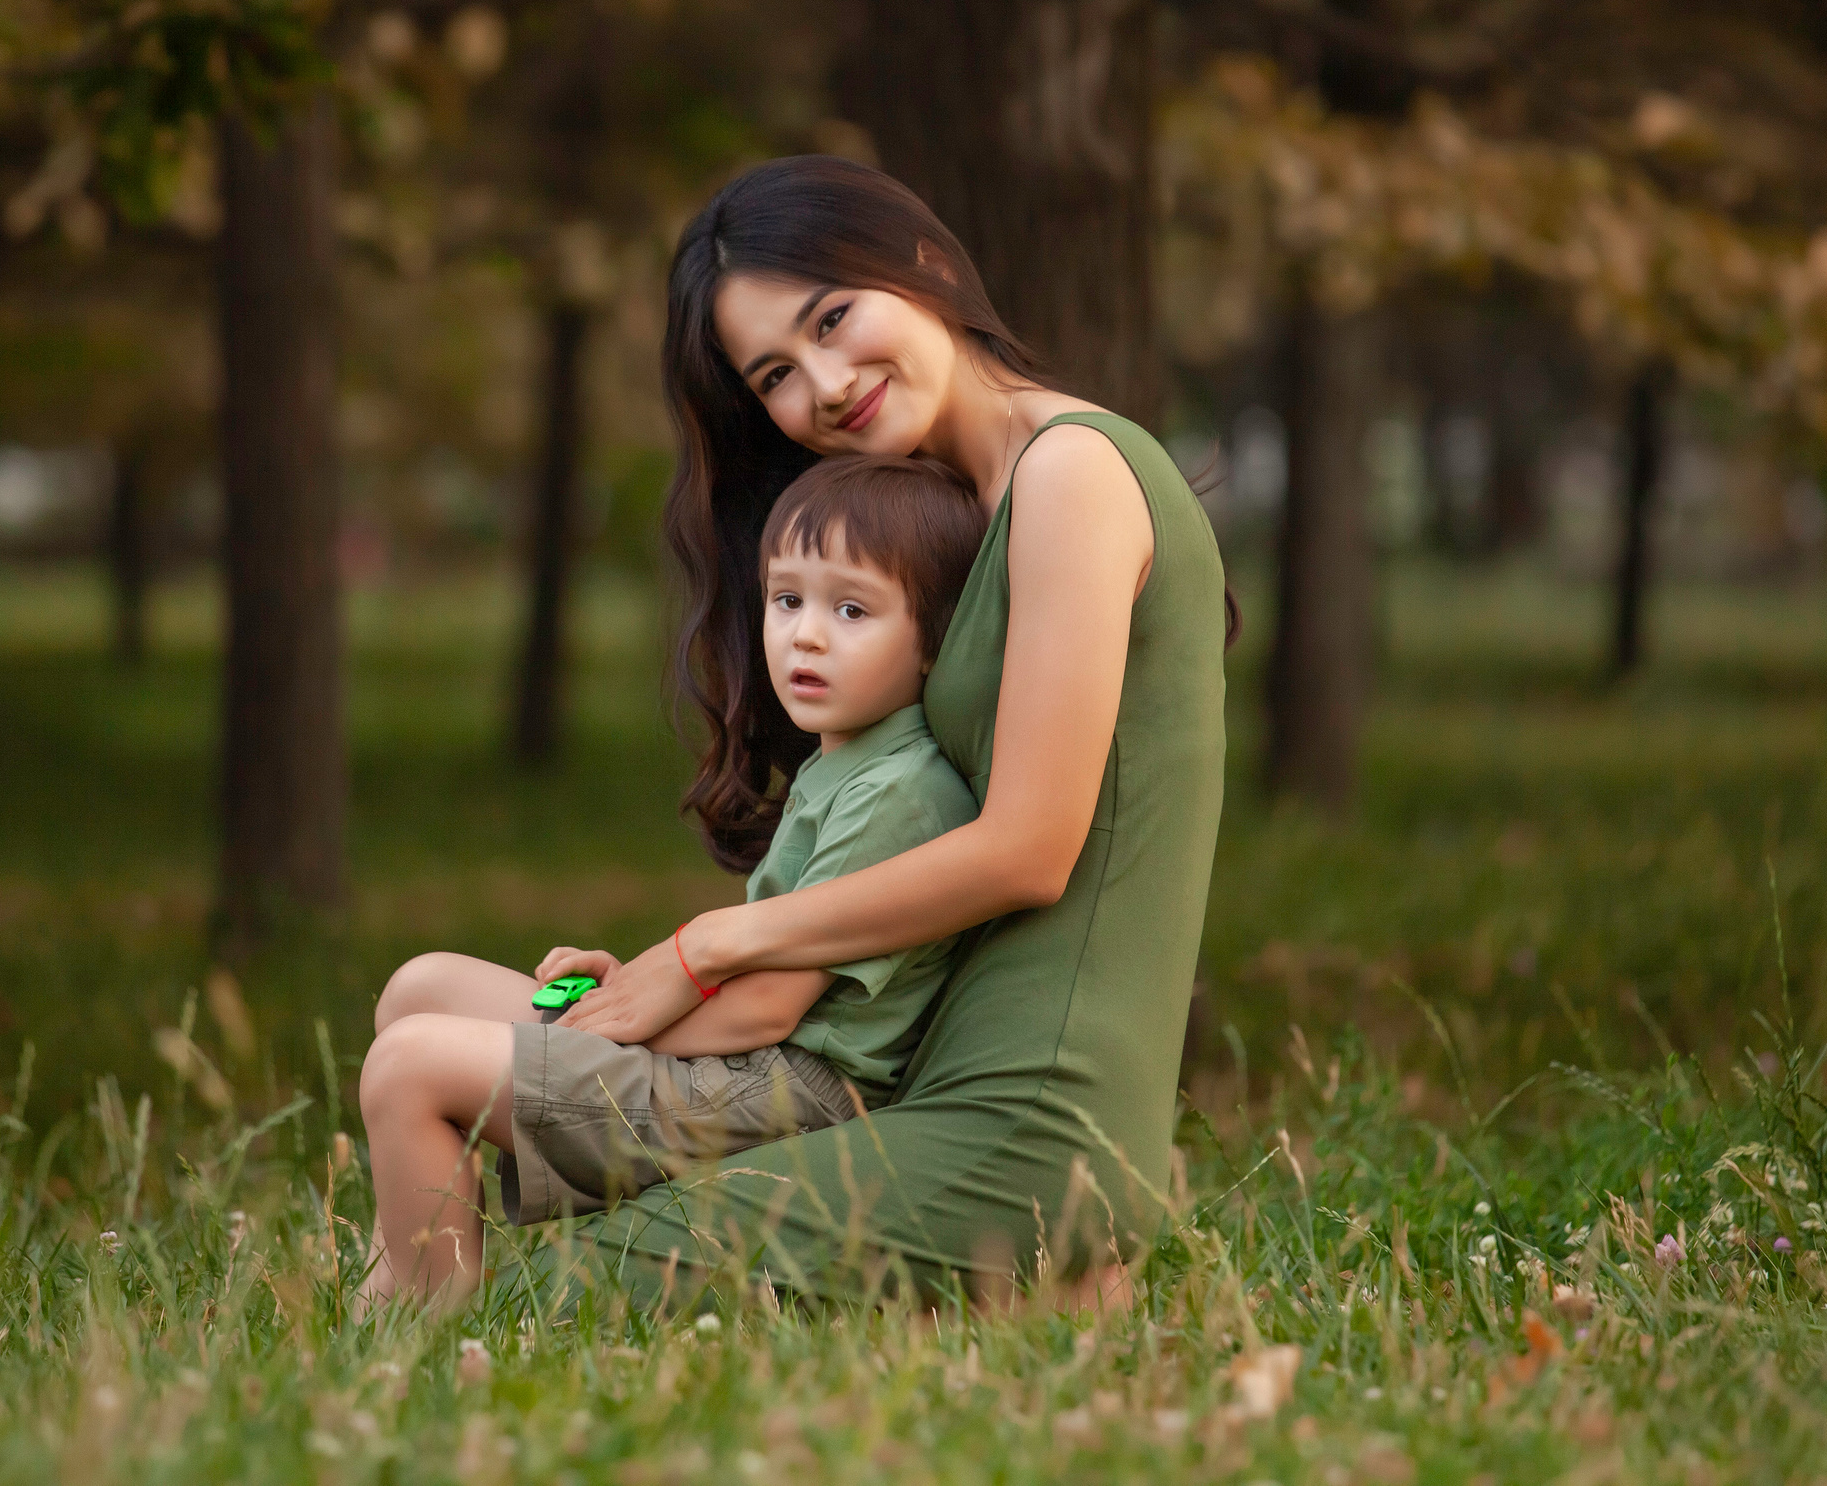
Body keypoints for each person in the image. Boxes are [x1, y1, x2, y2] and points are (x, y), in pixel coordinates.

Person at [407, 154, 1225, 1311]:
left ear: (927, 264)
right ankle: (1010, 1290)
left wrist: (702, 954)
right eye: (778, 373)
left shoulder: (1074, 475)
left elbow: (1029, 847)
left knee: (555, 1308)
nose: (828, 383)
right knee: (423, 1006)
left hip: (1031, 1122)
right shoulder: (953, 514)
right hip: (908, 1076)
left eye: (834, 318)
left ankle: (1044, 1271)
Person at [358, 453, 987, 1309]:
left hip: (785, 1092)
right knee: (421, 987)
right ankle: (404, 1258)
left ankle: (421, 1319)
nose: (805, 633)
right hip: (739, 1061)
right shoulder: (847, 764)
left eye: (851, 608)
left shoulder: (901, 793)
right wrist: (628, 986)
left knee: (410, 1064)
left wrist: (614, 1033)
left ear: (935, 642)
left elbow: (770, 1005)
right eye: (786, 599)